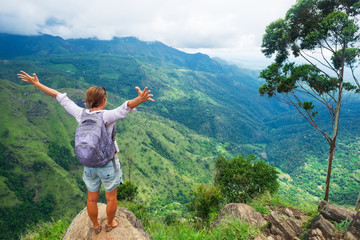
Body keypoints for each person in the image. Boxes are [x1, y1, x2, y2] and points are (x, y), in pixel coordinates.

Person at [17, 70, 154, 234]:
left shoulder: (79, 114)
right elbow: (126, 106)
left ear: (88, 101)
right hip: (108, 164)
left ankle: (95, 225)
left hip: (89, 164)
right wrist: (140, 99)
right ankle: (110, 223)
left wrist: (36, 84)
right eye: (106, 98)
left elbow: (59, 97)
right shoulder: (106, 116)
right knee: (111, 198)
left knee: (91, 198)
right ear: (103, 100)